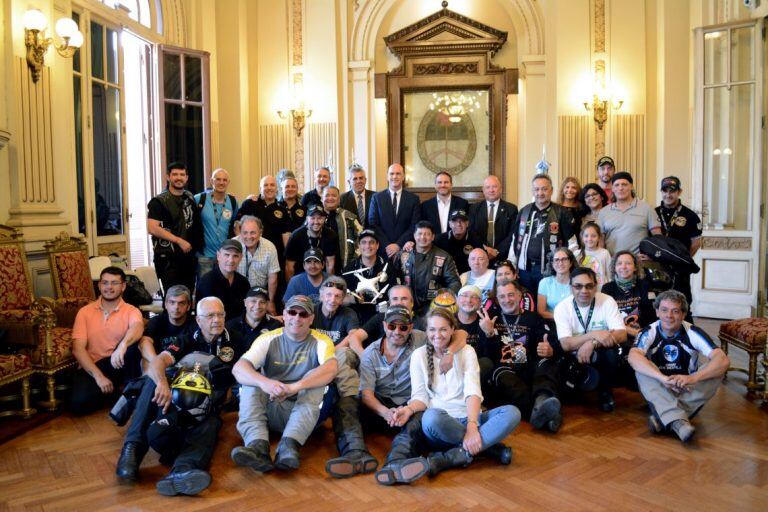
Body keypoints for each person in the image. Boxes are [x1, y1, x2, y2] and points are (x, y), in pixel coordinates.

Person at [115, 297, 247, 495]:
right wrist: (162, 384)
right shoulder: (187, 338)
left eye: (220, 315)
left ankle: (182, 471)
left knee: (210, 425)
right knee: (152, 381)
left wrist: (232, 393)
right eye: (210, 315)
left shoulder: (237, 340)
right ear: (199, 320)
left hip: (212, 402)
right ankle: (132, 448)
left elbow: (248, 370)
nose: (217, 320)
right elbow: (159, 361)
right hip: (178, 399)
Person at [395, 308, 520, 477]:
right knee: (430, 417)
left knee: (512, 413)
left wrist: (472, 425)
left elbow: (473, 391)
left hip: (470, 416)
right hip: (441, 425)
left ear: (453, 329)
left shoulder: (467, 351)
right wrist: (408, 409)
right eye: (432, 329)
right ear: (426, 331)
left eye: (443, 329)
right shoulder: (419, 355)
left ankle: (452, 456)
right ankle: (488, 448)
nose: (437, 335)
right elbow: (421, 398)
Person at [231, 295, 338, 472]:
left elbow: (331, 369)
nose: (297, 318)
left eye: (303, 314)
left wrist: (294, 387)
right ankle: (257, 447)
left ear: (311, 319)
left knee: (317, 378)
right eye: (292, 312)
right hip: (271, 407)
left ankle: (289, 445)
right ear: (284, 315)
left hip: (305, 412)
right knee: (250, 380)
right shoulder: (268, 338)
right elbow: (238, 368)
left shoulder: (321, 341)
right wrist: (265, 383)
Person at [629, 290, 729, 443]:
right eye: (664, 310)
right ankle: (679, 423)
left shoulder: (693, 332)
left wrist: (691, 378)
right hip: (660, 388)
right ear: (657, 312)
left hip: (687, 388)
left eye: (675, 311)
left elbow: (722, 359)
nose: (669, 316)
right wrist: (663, 379)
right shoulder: (649, 331)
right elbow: (633, 356)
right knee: (641, 368)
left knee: (716, 371)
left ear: (683, 314)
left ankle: (664, 419)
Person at [359, 306, 431, 485]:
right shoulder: (370, 353)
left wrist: (450, 353)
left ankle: (395, 462)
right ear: (384, 326)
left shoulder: (421, 338)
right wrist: (384, 412)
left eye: (403, 327)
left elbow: (457, 334)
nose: (397, 332)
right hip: (380, 405)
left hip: (408, 405)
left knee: (423, 415)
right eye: (392, 326)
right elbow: (367, 394)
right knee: (349, 402)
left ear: (411, 327)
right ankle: (356, 455)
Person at [487, 280, 563, 432]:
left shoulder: (533, 318)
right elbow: (485, 355)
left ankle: (542, 400)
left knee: (547, 362)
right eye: (502, 296)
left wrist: (551, 349)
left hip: (529, 366)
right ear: (497, 298)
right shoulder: (490, 319)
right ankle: (548, 415)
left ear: (519, 295)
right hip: (504, 368)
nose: (507, 300)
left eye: (510, 295)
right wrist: (488, 333)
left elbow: (554, 343)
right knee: (506, 378)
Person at [70, 267, 144, 415]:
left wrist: (123, 345)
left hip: (118, 363)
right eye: (105, 283)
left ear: (123, 286)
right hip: (93, 365)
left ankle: (124, 392)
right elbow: (78, 349)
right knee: (77, 405)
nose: (109, 287)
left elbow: (138, 327)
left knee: (132, 347)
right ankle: (113, 393)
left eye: (114, 283)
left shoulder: (131, 311)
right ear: (99, 286)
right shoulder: (84, 312)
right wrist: (99, 377)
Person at [554, 268, 627, 412]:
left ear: (596, 286)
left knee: (612, 353)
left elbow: (621, 334)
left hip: (600, 351)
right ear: (571, 287)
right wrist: (594, 334)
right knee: (569, 396)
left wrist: (592, 343)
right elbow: (566, 344)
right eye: (578, 286)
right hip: (572, 356)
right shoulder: (562, 307)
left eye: (589, 286)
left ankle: (605, 393)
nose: (584, 291)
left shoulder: (607, 300)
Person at [509, 174, 578, 297]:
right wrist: (512, 265)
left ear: (551, 190)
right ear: (532, 191)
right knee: (528, 305)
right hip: (525, 270)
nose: (540, 193)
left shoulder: (562, 212)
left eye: (544, 189)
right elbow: (515, 240)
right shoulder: (524, 211)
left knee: (547, 306)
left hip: (551, 270)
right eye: (537, 189)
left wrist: (572, 269)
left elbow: (572, 243)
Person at [147, 162, 201, 292]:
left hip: (189, 257)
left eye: (182, 174)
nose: (179, 177)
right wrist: (178, 240)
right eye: (175, 174)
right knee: (172, 297)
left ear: (187, 178)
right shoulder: (158, 201)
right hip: (168, 259)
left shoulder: (189, 196)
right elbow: (152, 228)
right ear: (168, 177)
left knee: (187, 296)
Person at [654, 176, 702, 312]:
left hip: (680, 268)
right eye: (665, 191)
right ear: (661, 191)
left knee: (682, 302)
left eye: (672, 191)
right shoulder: (653, 213)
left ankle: (685, 330)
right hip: (658, 266)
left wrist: (683, 259)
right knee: (659, 302)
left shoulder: (691, 216)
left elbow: (696, 242)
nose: (668, 194)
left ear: (679, 192)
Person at [400, 221, 462, 315]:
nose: (423, 237)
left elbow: (454, 282)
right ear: (414, 236)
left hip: (434, 308)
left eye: (427, 234)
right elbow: (394, 279)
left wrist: (446, 297)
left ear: (433, 237)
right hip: (406, 305)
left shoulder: (444, 257)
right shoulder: (404, 255)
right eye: (419, 234)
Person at [598, 171, 662, 255]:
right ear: (612, 189)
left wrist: (653, 255)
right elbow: (600, 240)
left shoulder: (647, 208)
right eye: (616, 185)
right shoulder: (604, 212)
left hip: (638, 264)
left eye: (624, 184)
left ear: (631, 186)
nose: (620, 188)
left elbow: (658, 238)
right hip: (612, 264)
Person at [234, 176, 292, 264]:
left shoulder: (282, 210)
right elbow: (237, 225)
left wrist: (288, 258)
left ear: (276, 189)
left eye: (272, 185)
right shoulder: (249, 203)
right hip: (249, 255)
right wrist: (241, 246)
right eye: (265, 185)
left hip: (274, 257)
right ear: (260, 188)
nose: (269, 188)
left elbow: (286, 235)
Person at [368, 163, 421, 258]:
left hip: (405, 250)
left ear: (403, 176)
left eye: (398, 173)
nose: (395, 176)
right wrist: (387, 245)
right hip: (382, 250)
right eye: (391, 174)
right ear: (387, 177)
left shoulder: (413, 199)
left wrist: (398, 245)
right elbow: (373, 224)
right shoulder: (377, 198)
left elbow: (414, 225)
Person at [342, 229, 394, 324]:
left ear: (377, 245)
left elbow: (394, 295)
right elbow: (341, 299)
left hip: (381, 318)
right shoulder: (348, 269)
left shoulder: (388, 268)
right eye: (364, 242)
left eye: (371, 242)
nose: (367, 246)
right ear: (359, 246)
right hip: (355, 318)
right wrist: (354, 298)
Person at [601, 251, 657, 339]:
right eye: (619, 263)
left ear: (635, 267)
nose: (623, 267)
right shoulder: (607, 288)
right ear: (614, 268)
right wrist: (632, 331)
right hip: (618, 335)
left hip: (644, 334)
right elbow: (606, 320)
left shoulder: (645, 285)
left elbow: (651, 315)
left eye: (628, 263)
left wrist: (643, 333)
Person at [137, 285, 196, 368]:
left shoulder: (195, 323)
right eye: (172, 302)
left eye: (181, 303)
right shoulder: (157, 321)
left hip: (186, 367)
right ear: (166, 305)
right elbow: (144, 342)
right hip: (159, 364)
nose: (176, 307)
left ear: (188, 306)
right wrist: (157, 363)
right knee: (145, 361)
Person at [194, 168, 238, 278]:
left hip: (226, 257)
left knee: (224, 290)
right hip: (204, 256)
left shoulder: (233, 202)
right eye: (218, 179)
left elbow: (236, 224)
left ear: (228, 182)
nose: (221, 182)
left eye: (224, 180)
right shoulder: (200, 199)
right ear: (212, 181)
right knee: (205, 291)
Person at [233, 215, 280, 315]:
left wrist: (270, 301)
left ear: (260, 232)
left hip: (260, 294)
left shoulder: (270, 247)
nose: (249, 237)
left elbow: (273, 278)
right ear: (240, 232)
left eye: (253, 232)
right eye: (245, 233)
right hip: (236, 295)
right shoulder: (233, 245)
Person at [195, 239, 250, 321]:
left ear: (241, 258)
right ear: (218, 256)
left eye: (235, 256)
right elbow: (203, 316)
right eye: (227, 255)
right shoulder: (206, 282)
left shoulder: (244, 282)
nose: (231, 260)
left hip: (239, 329)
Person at [468, 175, 518, 261]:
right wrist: (485, 249)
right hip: (480, 257)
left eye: (494, 186)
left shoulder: (511, 209)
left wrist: (497, 251)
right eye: (488, 187)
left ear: (501, 189)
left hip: (503, 257)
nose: (491, 190)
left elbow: (512, 234)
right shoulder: (474, 208)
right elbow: (471, 231)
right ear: (483, 190)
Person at [285, 204, 338, 281]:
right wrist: (292, 288)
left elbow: (330, 265)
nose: (316, 222)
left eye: (319, 218)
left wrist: (329, 286)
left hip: (322, 277)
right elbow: (289, 267)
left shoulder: (331, 235)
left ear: (324, 219)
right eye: (312, 218)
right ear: (307, 219)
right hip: (300, 276)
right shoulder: (296, 236)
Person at [322, 185, 362, 273]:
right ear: (322, 198)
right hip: (320, 267)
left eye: (334, 195)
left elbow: (361, 237)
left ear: (339, 199)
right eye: (327, 195)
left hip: (346, 266)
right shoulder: (314, 217)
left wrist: (355, 259)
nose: (330, 198)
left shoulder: (349, 216)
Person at [312, 276, 360, 347]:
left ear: (342, 299)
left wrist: (332, 352)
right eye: (329, 295)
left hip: (338, 353)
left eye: (337, 296)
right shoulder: (311, 311)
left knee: (346, 352)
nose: (332, 300)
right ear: (321, 296)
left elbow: (354, 335)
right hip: (314, 351)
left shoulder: (349, 313)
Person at [434, 209, 484, 274]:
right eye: (454, 221)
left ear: (467, 223)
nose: (458, 224)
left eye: (462, 221)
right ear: (450, 224)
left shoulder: (476, 240)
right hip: (446, 277)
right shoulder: (439, 240)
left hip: (469, 277)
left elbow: (481, 263)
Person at [537, 248, 578, 321]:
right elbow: (541, 312)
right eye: (556, 260)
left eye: (564, 259)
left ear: (571, 262)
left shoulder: (578, 282)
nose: (560, 263)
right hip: (552, 323)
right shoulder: (544, 283)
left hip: (575, 322)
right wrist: (562, 318)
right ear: (552, 263)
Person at [578, 222, 611, 290]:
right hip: (584, 292)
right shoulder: (577, 254)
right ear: (582, 237)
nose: (589, 239)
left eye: (593, 236)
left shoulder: (605, 253)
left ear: (599, 237)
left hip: (602, 291)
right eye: (586, 236)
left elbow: (610, 275)